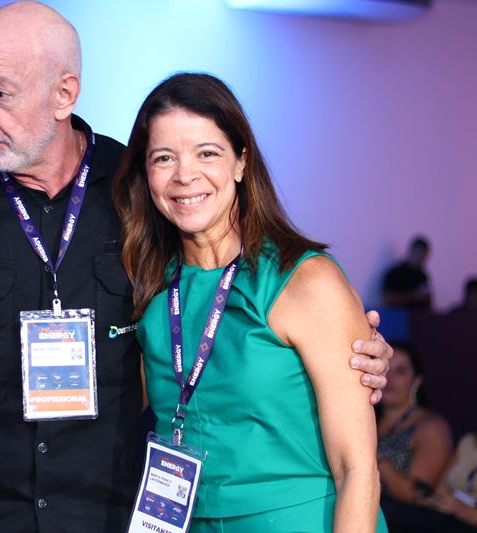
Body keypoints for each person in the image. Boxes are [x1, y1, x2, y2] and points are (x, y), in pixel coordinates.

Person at [0, 3, 393, 532]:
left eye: (0, 92)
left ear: (64, 94)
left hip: (100, 514)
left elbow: (230, 297)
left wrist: (349, 351)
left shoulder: (132, 188)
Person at [113, 72, 386, 532]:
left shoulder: (306, 280)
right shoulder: (153, 291)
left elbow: (357, 470)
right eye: (164, 158)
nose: (184, 175)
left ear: (241, 162)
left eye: (207, 153)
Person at [386, 369, 477, 533]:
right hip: (441, 518)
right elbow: (439, 490)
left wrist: (464, 511)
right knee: (389, 512)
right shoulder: (471, 443)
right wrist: (435, 501)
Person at [377, 342, 452, 504]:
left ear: (417, 381)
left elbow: (415, 495)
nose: (389, 378)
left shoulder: (431, 427)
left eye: (400, 371)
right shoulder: (367, 417)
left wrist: (375, 459)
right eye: (385, 368)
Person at [382, 235, 433, 309]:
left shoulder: (422, 276)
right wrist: (414, 296)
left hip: (418, 314)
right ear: (412, 251)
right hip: (398, 313)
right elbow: (388, 298)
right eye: (419, 253)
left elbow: (428, 299)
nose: (421, 258)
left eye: (424, 255)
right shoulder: (396, 273)